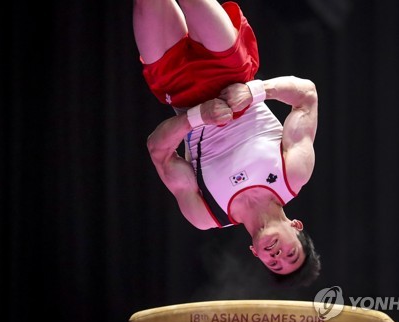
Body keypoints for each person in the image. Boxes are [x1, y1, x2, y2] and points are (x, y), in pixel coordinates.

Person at [133, 0, 321, 287]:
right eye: (290, 253)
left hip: (179, 89)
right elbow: (307, 95)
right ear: (296, 227)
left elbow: (158, 150)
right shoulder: (293, 173)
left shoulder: (206, 214)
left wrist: (197, 117)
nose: (277, 255)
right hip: (229, 70)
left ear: (255, 254)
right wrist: (255, 91)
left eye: (273, 263)